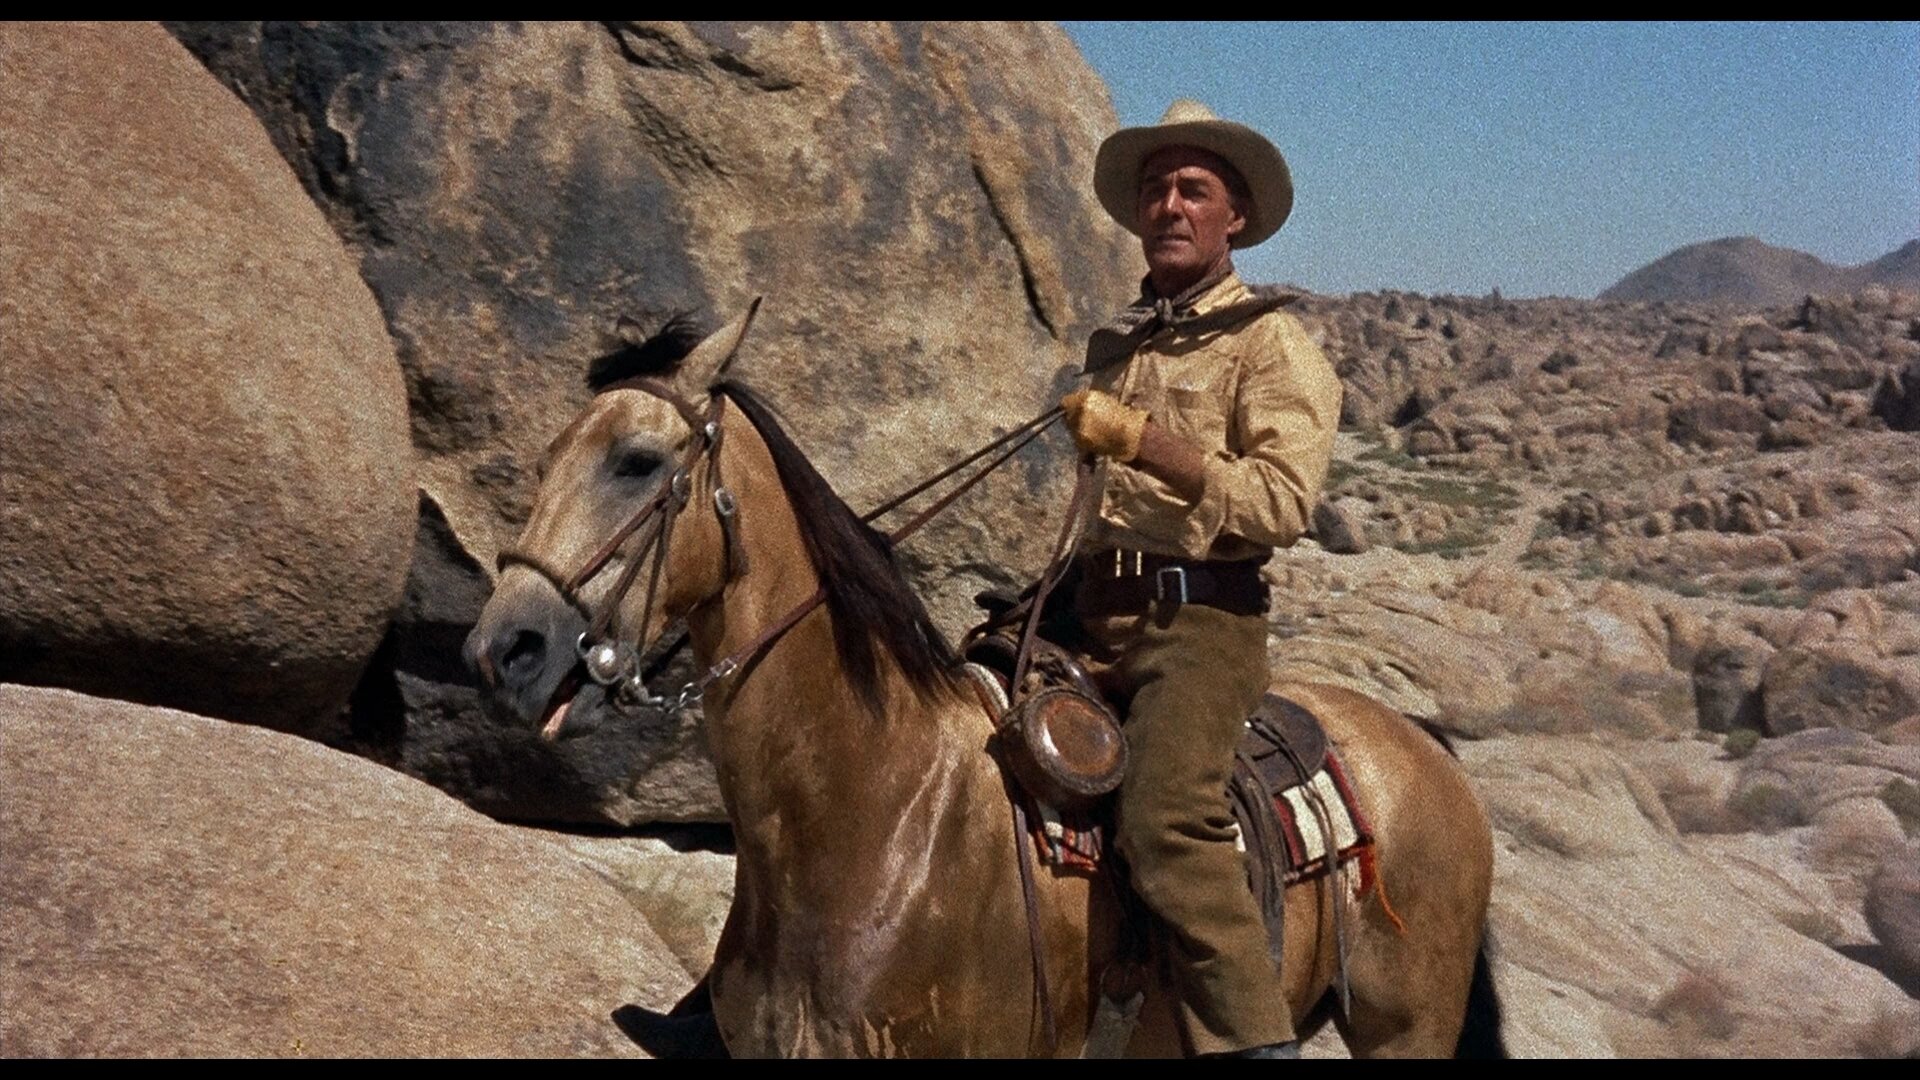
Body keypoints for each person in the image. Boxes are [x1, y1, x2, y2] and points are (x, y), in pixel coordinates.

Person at [1059, 100, 1342, 1058]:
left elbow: (1280, 503)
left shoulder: (1273, 346)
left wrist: (1146, 441)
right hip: (1093, 603)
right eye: (1156, 190)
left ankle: (1257, 1041)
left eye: (1194, 190)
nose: (1169, 206)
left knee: (1166, 823)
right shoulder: (1119, 344)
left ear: (1236, 217)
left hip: (1200, 626)